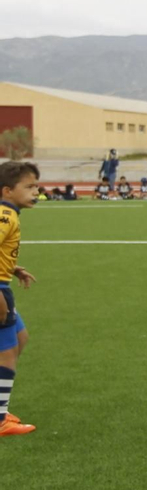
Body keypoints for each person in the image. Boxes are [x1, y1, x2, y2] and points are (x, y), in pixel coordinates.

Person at [0, 161, 42, 437]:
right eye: (28, 187)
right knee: (6, 353)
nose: (36, 192)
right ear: (7, 190)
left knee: (20, 338)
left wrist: (12, 267)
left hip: (3, 283)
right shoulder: (5, 216)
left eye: (36, 186)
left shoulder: (8, 214)